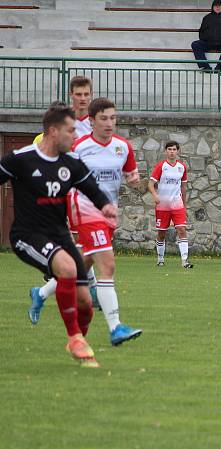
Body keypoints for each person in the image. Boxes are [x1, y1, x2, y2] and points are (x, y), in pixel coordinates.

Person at [0, 102, 116, 368]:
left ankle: (79, 343)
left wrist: (105, 206)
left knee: (86, 302)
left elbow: (91, 188)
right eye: (71, 131)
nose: (75, 136)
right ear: (53, 131)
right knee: (66, 268)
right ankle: (75, 337)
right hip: (27, 235)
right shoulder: (21, 158)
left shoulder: (71, 162)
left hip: (59, 234)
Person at [70, 98, 143, 346]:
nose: (110, 123)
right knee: (108, 265)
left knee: (83, 263)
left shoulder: (123, 147)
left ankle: (44, 291)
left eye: (113, 118)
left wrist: (136, 181)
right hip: (85, 210)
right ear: (91, 121)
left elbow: (131, 176)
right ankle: (116, 328)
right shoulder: (78, 147)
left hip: (109, 214)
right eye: (104, 118)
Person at [29, 75, 99, 323]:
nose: (82, 98)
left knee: (90, 249)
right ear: (71, 95)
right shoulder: (62, 122)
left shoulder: (96, 121)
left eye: (86, 94)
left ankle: (45, 292)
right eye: (78, 94)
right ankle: (93, 289)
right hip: (66, 192)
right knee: (87, 249)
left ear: (91, 94)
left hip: (88, 193)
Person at [148, 141, 193, 268]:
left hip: (177, 204)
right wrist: (155, 195)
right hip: (162, 206)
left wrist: (184, 205)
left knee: (182, 230)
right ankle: (160, 259)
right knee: (161, 233)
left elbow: (183, 187)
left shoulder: (182, 167)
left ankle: (185, 261)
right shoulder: (161, 166)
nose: (172, 151)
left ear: (178, 151)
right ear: (165, 151)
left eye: (174, 149)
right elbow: (150, 184)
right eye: (169, 149)